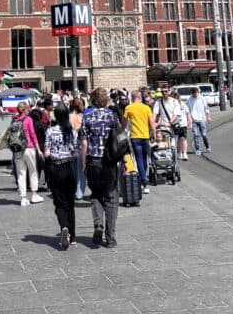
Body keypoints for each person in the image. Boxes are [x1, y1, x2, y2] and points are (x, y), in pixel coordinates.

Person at [80, 87, 119, 248]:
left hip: (93, 160)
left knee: (96, 194)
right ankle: (110, 238)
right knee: (111, 196)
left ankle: (98, 224)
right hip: (109, 161)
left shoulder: (87, 115)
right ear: (106, 100)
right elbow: (119, 140)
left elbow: (83, 143)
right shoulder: (112, 115)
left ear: (93, 100)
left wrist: (83, 164)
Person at [44, 103, 79, 250]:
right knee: (70, 201)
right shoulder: (72, 131)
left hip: (56, 168)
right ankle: (72, 235)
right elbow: (75, 152)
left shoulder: (50, 131)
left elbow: (46, 153)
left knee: (59, 201)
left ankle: (64, 226)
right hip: (69, 167)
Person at [12, 101, 43, 206]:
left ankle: (23, 198)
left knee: (21, 174)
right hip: (29, 148)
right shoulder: (28, 119)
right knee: (33, 171)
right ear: (26, 109)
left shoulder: (14, 120)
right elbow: (33, 135)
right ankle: (34, 195)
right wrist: (38, 149)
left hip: (17, 150)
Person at [124, 91, 153, 194]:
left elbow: (124, 124)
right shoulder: (147, 108)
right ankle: (143, 179)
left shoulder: (129, 108)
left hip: (135, 137)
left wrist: (122, 133)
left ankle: (144, 182)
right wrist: (154, 133)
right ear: (140, 97)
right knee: (144, 159)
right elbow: (152, 124)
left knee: (139, 159)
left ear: (132, 98)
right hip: (145, 136)